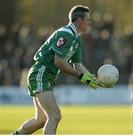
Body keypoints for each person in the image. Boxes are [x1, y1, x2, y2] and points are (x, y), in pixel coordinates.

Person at [12, 5, 100, 135]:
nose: (90, 22)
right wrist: (81, 77)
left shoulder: (76, 39)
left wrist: (93, 78)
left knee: (41, 120)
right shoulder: (66, 34)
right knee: (55, 116)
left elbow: (78, 66)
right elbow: (58, 61)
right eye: (88, 19)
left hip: (44, 76)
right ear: (79, 20)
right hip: (40, 73)